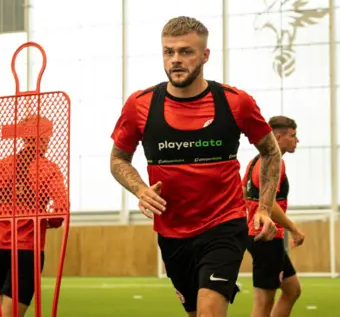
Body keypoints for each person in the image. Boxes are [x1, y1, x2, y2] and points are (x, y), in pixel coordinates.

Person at [109, 16, 282, 317]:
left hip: (224, 226)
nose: (176, 59)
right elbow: (118, 159)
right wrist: (139, 189)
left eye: (186, 52)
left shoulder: (235, 102)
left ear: (205, 55)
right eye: (168, 52)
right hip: (172, 232)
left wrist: (264, 208)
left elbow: (271, 152)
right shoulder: (140, 104)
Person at [0, 115, 67, 317]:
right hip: (27, 251)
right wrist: (48, 222)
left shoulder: (1, 166)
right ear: (46, 138)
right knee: (10, 315)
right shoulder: (49, 169)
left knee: (6, 312)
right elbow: (61, 207)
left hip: (0, 250)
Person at [242, 115, 305, 317]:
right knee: (263, 302)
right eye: (293, 135)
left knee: (292, 289)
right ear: (277, 138)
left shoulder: (254, 162)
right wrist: (293, 229)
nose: (297, 140)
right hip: (266, 237)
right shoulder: (273, 163)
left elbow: (243, 193)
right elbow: (269, 205)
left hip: (259, 235)